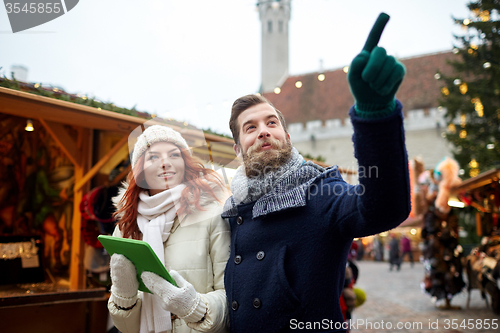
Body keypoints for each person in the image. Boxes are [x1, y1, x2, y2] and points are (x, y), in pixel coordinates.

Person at [222, 13, 410, 332]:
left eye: (271, 123)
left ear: (287, 137)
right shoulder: (232, 211)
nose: (264, 131)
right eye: (250, 128)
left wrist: (376, 117)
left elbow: (385, 209)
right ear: (238, 150)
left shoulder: (321, 191)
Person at [107, 125, 230, 333]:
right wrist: (123, 297)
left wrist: (195, 308)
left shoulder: (212, 216)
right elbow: (126, 328)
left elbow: (233, 296)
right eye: (153, 157)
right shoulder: (126, 227)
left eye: (174, 154)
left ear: (184, 163)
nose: (165, 163)